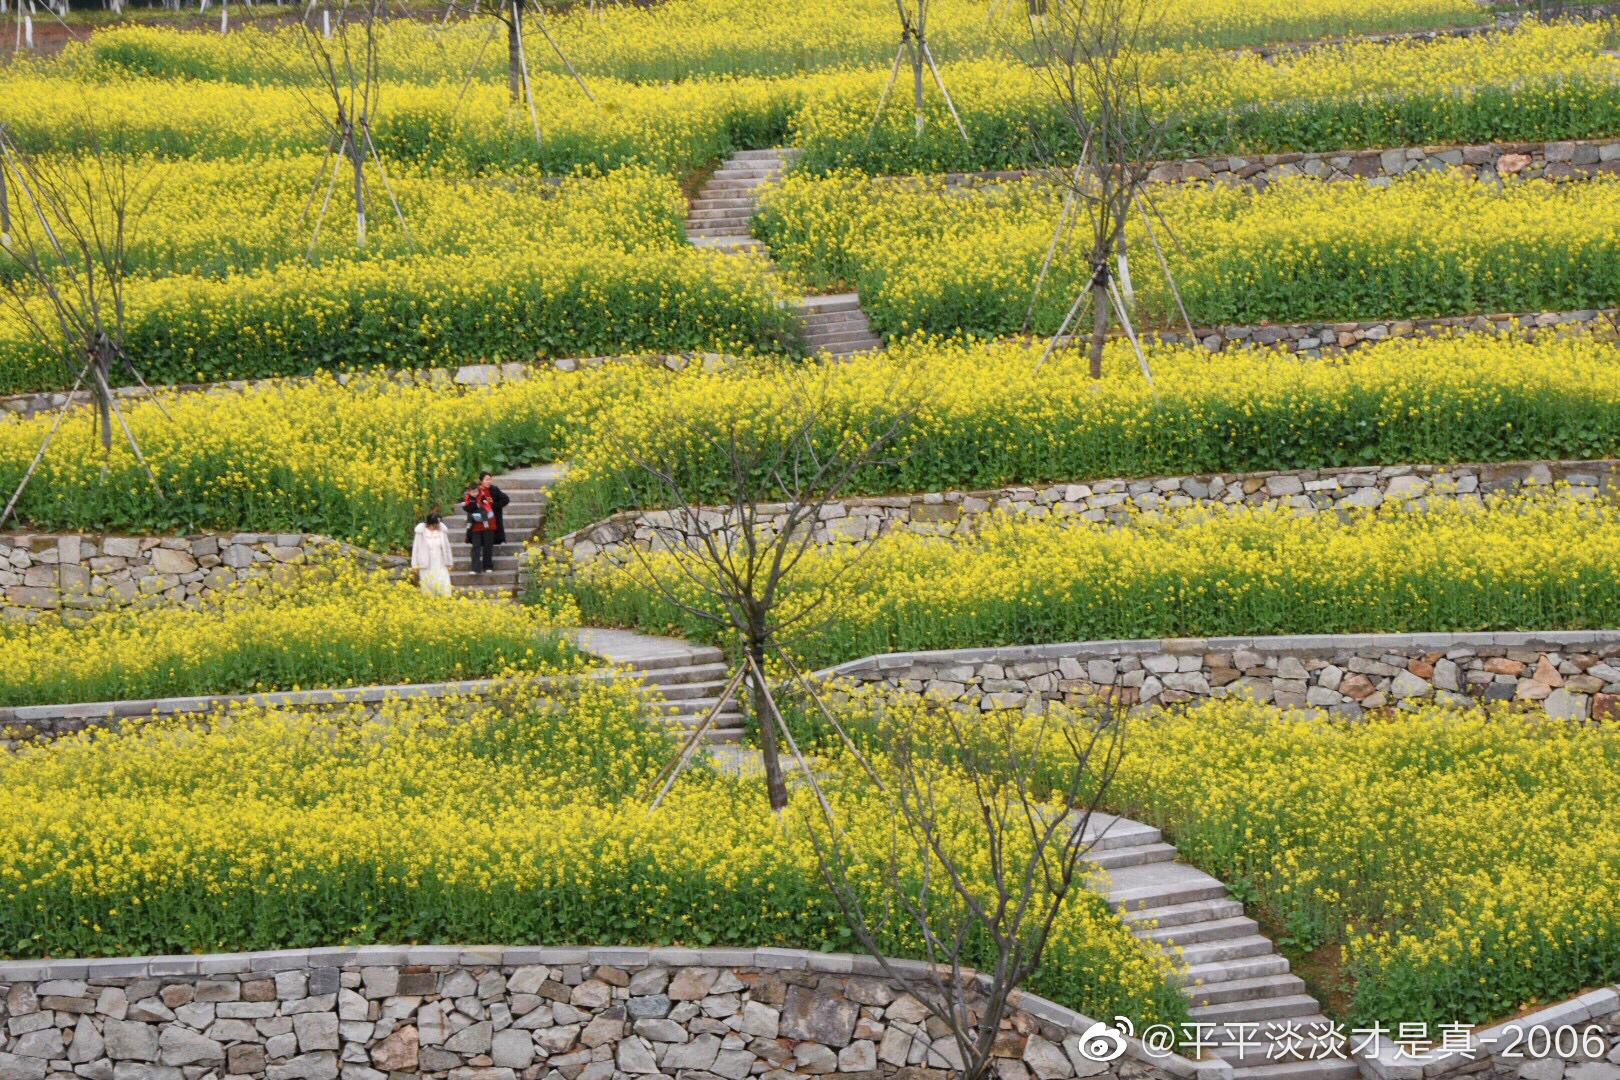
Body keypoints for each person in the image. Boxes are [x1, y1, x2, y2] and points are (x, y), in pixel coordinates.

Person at [461, 472, 509, 574]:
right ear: (481, 481)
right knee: (476, 547)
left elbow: (505, 499)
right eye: (486, 479)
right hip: (476, 524)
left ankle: (488, 566)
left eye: (490, 479)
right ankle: (475, 568)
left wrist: (493, 506)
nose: (489, 481)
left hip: (489, 523)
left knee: (488, 546)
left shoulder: (493, 490)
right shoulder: (473, 492)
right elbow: (468, 506)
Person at [411, 512, 454, 597]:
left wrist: (450, 562)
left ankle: (444, 600)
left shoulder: (442, 531)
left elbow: (447, 547)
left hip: (440, 562)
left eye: (438, 524)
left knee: (443, 582)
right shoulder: (421, 532)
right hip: (426, 562)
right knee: (428, 583)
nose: (438, 526)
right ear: (430, 524)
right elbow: (416, 549)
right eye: (436, 524)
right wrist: (414, 565)